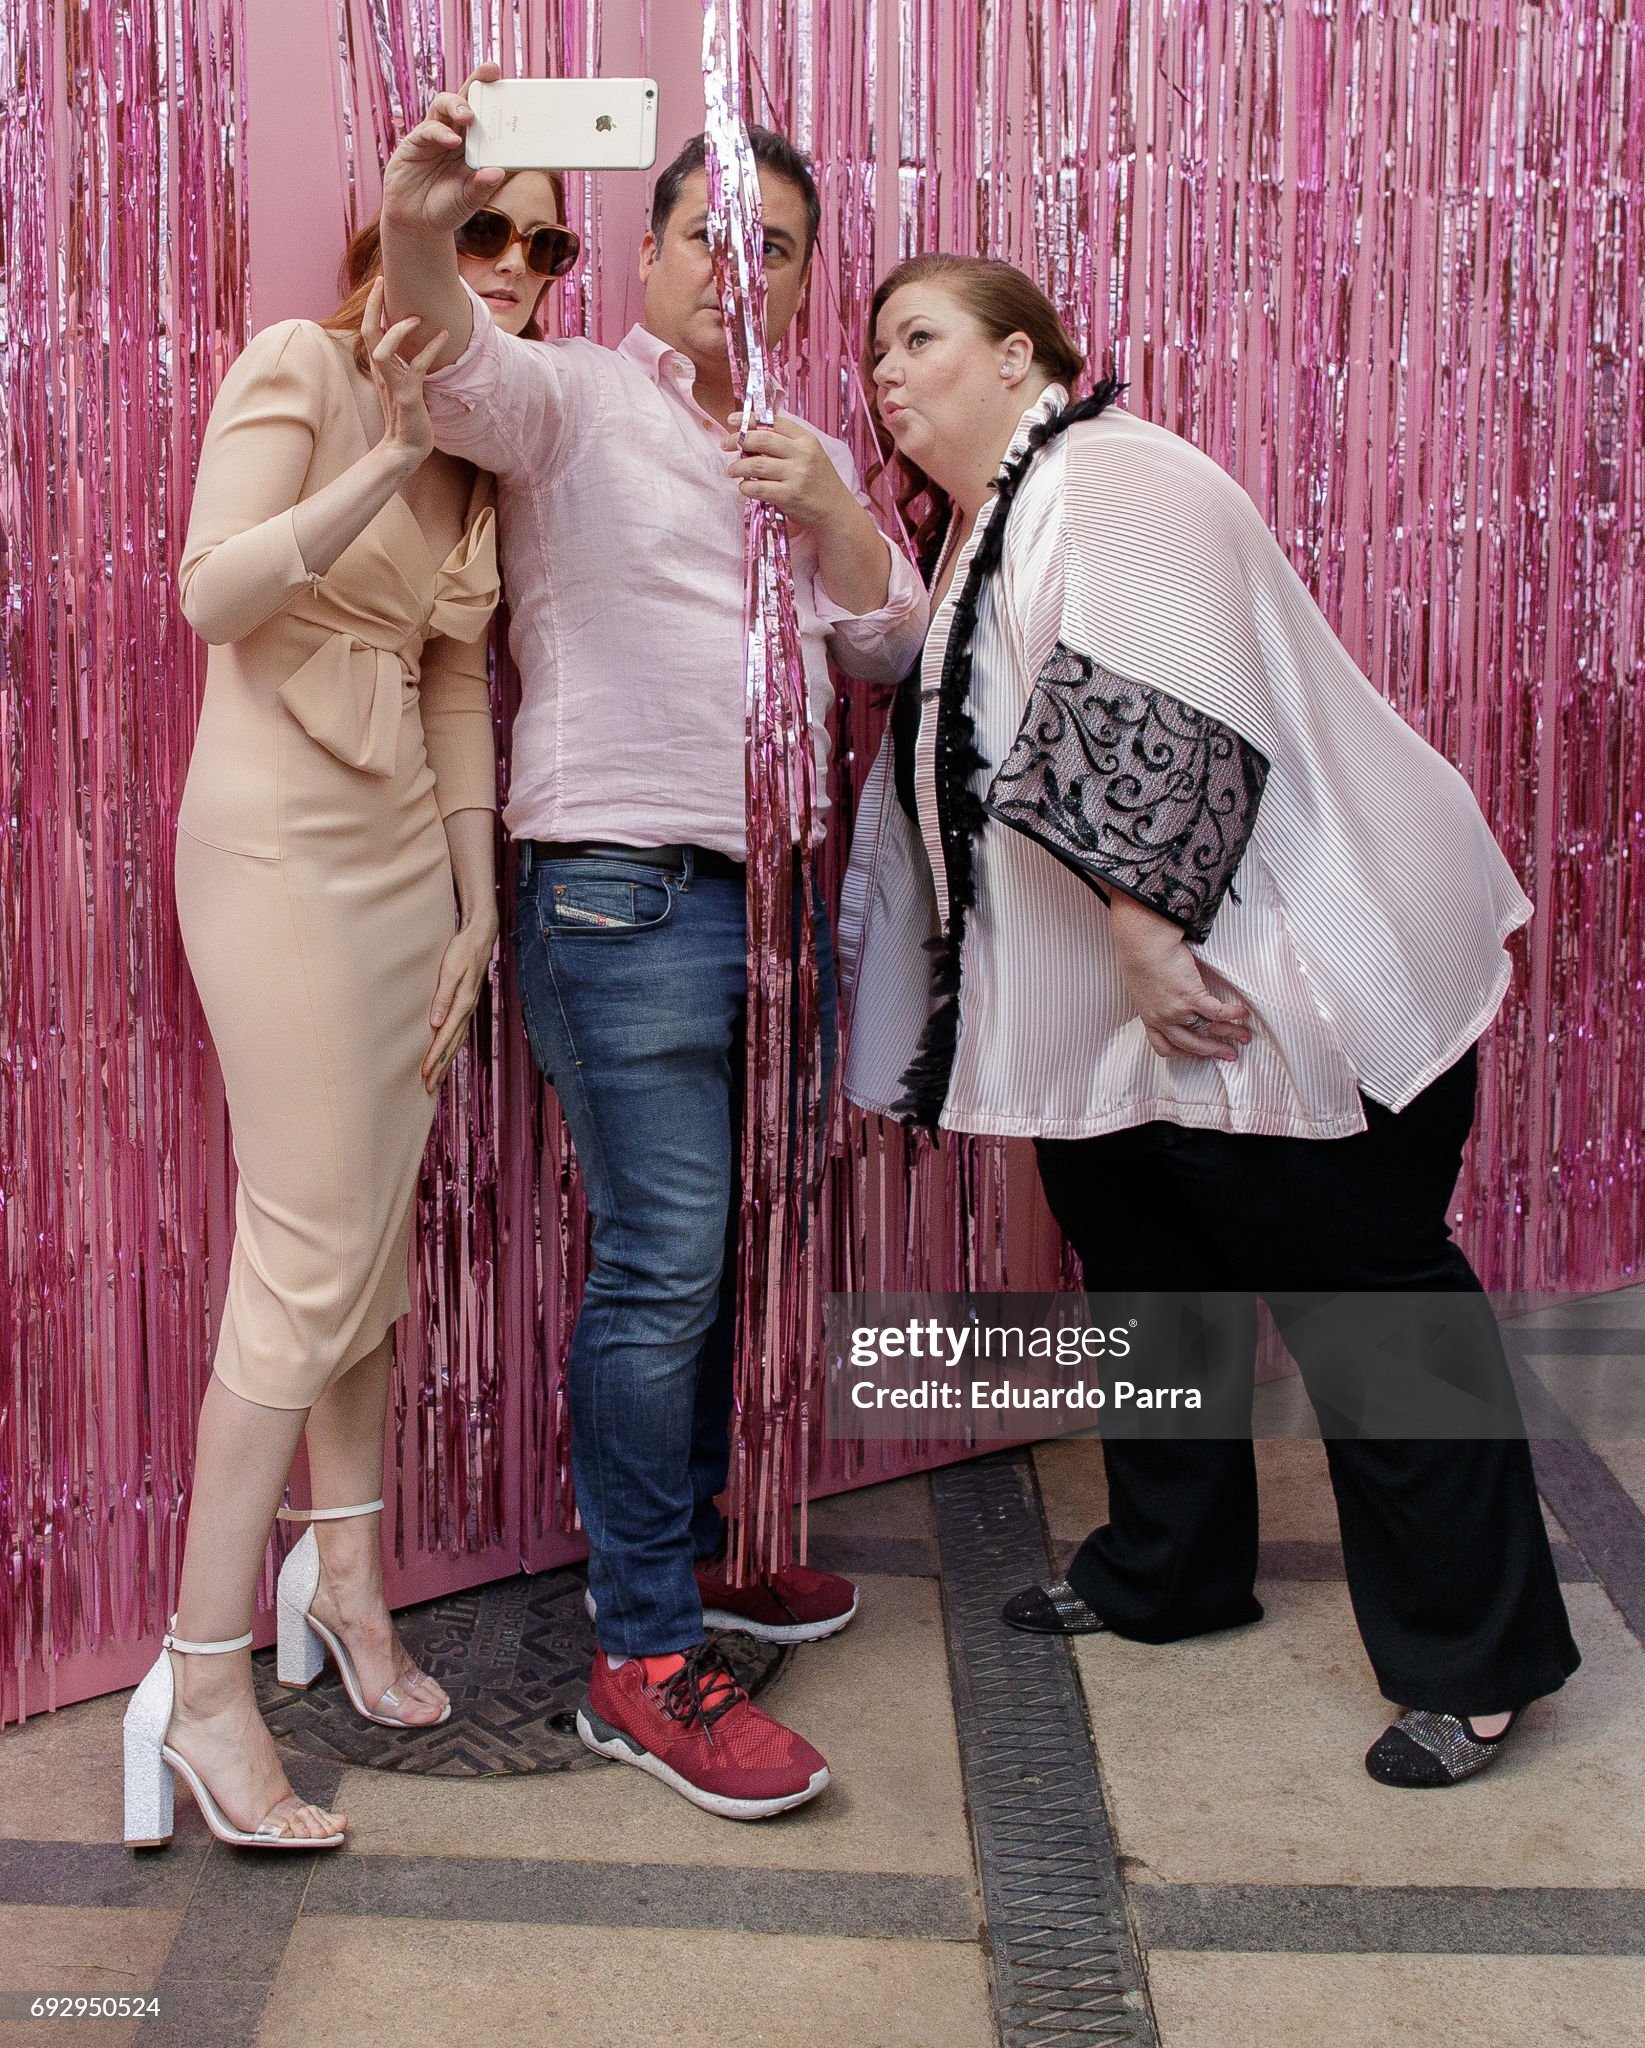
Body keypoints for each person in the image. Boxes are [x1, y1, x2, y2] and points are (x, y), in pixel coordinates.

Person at [841, 253, 1580, 1788]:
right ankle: (1166, 1573)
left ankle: (1475, 1663)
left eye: (922, 336)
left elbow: (1164, 693)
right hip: (1111, 1018)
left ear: (1024, 357)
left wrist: (1143, 928)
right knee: (1152, 1289)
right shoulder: (994, 519)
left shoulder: (1108, 474)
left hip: (1252, 981)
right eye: (876, 350)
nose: (887, 371)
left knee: (1371, 1311)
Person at [378, 74, 927, 1820]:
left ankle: (696, 1552)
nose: (737, 270)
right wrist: (416, 218)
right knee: (663, 1265)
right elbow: (444, 349)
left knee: (738, 1254)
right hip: (622, 890)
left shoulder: (803, 443)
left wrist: (832, 511)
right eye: (711, 236)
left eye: (777, 249)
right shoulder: (576, 401)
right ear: (652, 249)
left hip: (780, 902)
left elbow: (891, 649)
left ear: (804, 279)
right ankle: (638, 1652)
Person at [122, 172, 569, 1851]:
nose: (513, 266)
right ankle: (201, 1683)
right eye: (483, 232)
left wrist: (475, 900)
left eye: (544, 244)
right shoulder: (301, 367)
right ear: (404, 242)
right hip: (278, 848)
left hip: (400, 862)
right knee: (308, 1252)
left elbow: (453, 677)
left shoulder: (492, 452)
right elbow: (212, 595)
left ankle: (350, 1580)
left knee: (370, 1236)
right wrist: (386, 449)